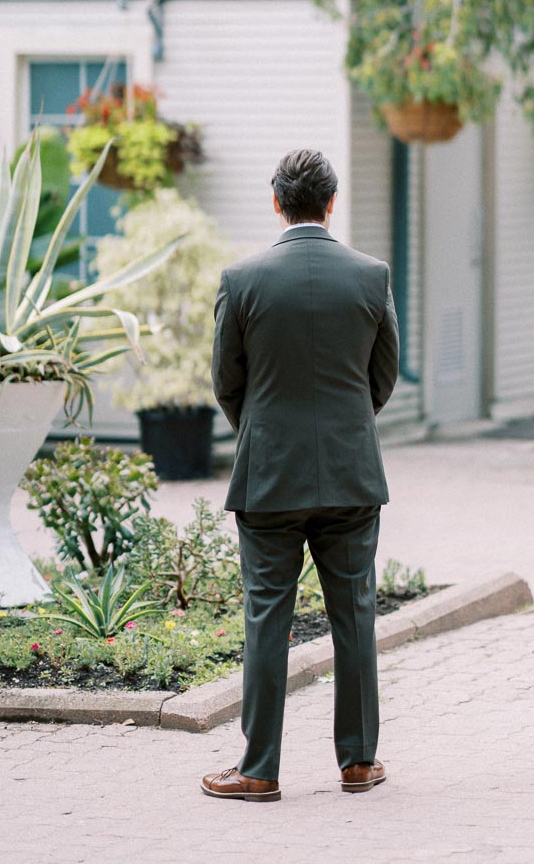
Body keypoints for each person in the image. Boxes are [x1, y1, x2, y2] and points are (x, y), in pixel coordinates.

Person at [202, 149, 399, 803]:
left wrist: (261, 430)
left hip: (269, 477)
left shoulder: (243, 278)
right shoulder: (372, 276)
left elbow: (226, 381)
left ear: (277, 203)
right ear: (332, 203)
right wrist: (344, 425)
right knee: (356, 616)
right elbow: (384, 375)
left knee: (266, 620)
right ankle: (360, 762)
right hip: (350, 476)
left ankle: (259, 770)